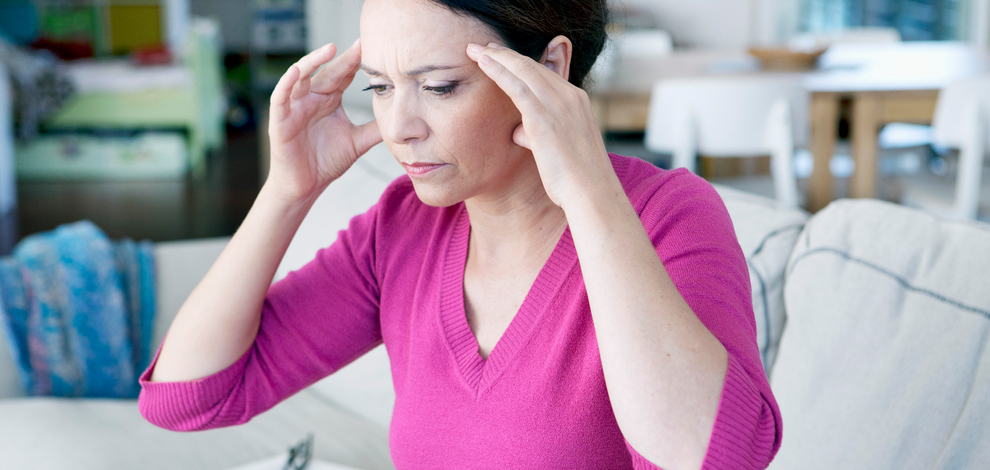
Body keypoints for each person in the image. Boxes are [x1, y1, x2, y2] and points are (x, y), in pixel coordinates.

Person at [137, 0, 782, 468]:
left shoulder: (668, 216)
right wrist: (287, 190)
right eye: (380, 88)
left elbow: (713, 459)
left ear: (549, 68)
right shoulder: (402, 227)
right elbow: (184, 398)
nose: (399, 127)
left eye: (439, 87)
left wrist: (590, 195)